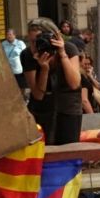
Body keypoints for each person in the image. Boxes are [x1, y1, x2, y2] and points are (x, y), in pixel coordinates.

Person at [29, 16, 84, 144]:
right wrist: (44, 69)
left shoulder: (68, 49)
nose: (35, 46)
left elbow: (75, 84)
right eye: (31, 41)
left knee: (68, 151)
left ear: (54, 37)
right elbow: (38, 94)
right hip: (42, 111)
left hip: (68, 108)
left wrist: (62, 54)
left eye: (39, 40)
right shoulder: (28, 56)